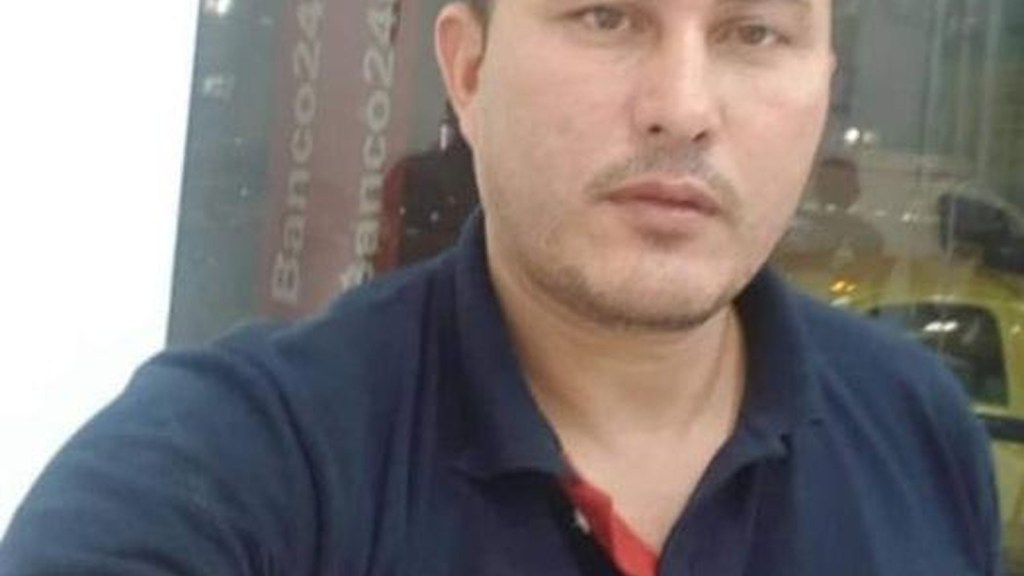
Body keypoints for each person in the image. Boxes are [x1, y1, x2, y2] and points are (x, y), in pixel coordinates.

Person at [0, 0, 1003, 574]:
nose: (683, 107)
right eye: (606, 15)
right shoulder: (234, 466)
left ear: (823, 81)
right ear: (468, 70)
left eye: (754, 32)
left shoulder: (916, 430)